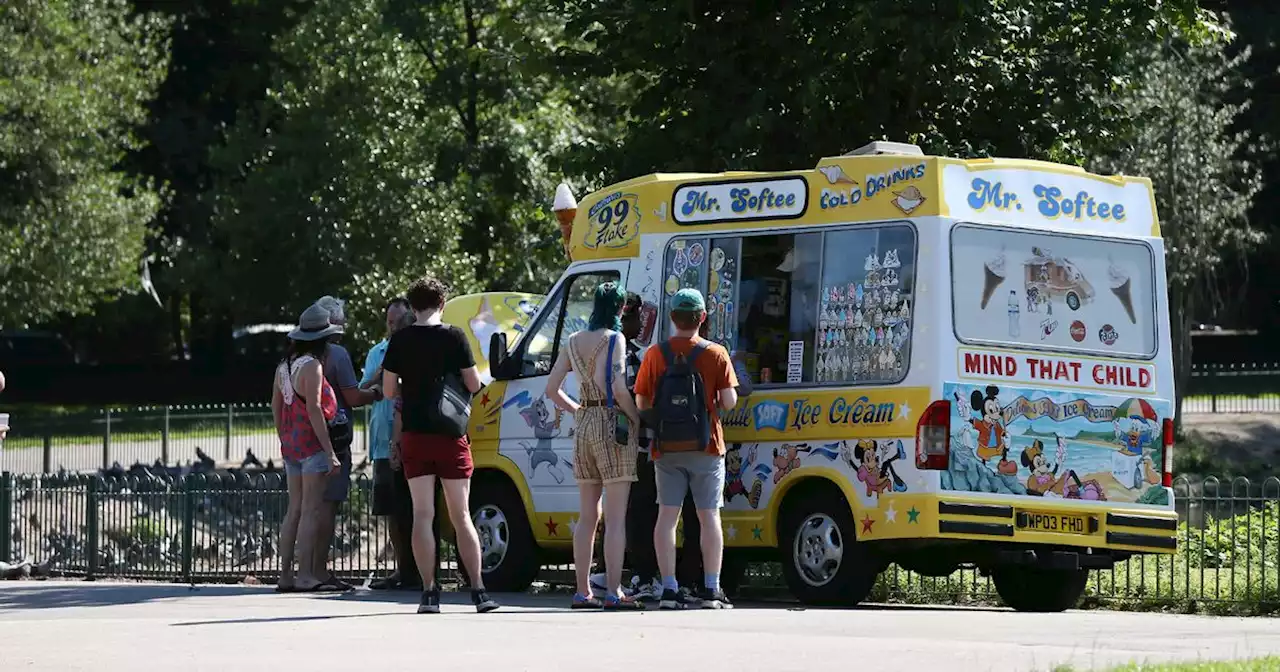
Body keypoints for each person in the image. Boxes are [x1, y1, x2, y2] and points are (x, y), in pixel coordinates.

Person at [382, 275, 499, 614]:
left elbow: (389, 392)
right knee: (461, 514)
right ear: (442, 304)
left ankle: (429, 592)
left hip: (415, 434)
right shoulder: (455, 336)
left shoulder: (400, 340)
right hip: (450, 434)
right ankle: (478, 591)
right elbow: (474, 383)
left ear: (413, 307)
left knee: (422, 514)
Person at [635, 288, 738, 610]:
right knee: (709, 517)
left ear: (672, 318)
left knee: (667, 517)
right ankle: (711, 589)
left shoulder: (655, 354)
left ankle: (668, 589)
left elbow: (641, 401)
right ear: (702, 318)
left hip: (666, 449)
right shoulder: (716, 354)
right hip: (706, 446)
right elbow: (729, 402)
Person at [545, 282, 643, 610]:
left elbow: (552, 389)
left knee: (588, 516)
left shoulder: (573, 342)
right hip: (610, 422)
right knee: (615, 519)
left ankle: (582, 590)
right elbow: (618, 385)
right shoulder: (615, 340)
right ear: (618, 309)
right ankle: (614, 591)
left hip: (584, 423)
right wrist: (635, 418)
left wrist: (578, 411)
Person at [270, 304, 344, 593]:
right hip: (312, 446)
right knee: (312, 510)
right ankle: (305, 576)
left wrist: (284, 437)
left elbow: (276, 406)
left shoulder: (283, 366)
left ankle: (285, 575)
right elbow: (314, 409)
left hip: (291, 446)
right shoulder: (312, 366)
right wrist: (329, 452)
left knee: (294, 510)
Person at [312, 295, 380, 590]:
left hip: (304, 439)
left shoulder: (298, 355)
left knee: (305, 506)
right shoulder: (337, 354)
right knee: (328, 506)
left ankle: (298, 571)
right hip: (335, 440)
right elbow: (352, 397)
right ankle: (319, 571)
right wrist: (376, 391)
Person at [361, 297, 422, 591]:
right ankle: (402, 570)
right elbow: (365, 389)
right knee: (391, 510)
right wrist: (384, 368)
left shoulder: (422, 350)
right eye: (390, 323)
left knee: (417, 508)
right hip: (384, 444)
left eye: (399, 323)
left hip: (415, 440)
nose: (394, 328)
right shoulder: (378, 352)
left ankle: (422, 571)